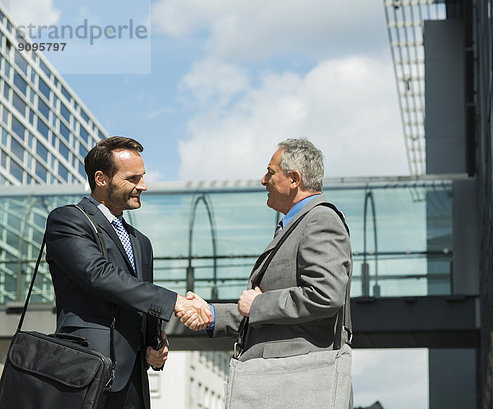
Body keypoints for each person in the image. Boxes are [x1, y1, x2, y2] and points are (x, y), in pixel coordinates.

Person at [45, 136, 212, 409]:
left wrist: (155, 342)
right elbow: (98, 274)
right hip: (87, 369)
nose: (143, 186)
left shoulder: (140, 241)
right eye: (133, 179)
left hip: (134, 379)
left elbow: (137, 299)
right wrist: (175, 301)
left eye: (143, 177)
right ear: (101, 179)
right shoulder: (68, 220)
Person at [180, 138, 352, 393]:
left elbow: (325, 295)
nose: (263, 180)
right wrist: (212, 315)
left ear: (294, 179)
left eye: (270, 173)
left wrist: (258, 304)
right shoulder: (298, 225)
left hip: (298, 385)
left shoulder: (320, 220)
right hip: (284, 382)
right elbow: (270, 314)